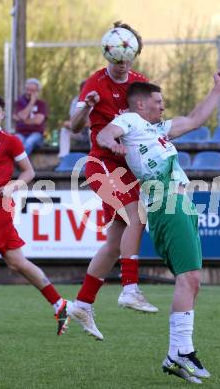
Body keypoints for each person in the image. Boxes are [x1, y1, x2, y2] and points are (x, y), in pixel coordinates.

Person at [95, 71, 220, 383]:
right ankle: (180, 353)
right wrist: (114, 146)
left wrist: (217, 90)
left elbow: (195, 119)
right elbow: (104, 135)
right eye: (158, 101)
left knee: (192, 280)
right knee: (190, 278)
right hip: (166, 201)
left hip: (180, 202)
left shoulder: (157, 129)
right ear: (140, 104)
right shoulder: (130, 120)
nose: (163, 106)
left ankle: (178, 353)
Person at [67, 21, 158, 341]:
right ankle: (130, 288)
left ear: (133, 54)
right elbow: (76, 126)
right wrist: (88, 107)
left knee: (116, 239)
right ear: (108, 53)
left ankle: (82, 303)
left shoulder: (140, 83)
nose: (122, 65)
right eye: (116, 59)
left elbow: (151, 122)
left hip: (128, 169)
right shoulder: (94, 83)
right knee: (137, 216)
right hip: (101, 164)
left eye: (126, 59)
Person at [0, 94, 69, 335]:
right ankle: (59, 303)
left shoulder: (10, 141)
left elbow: (28, 171)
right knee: (17, 263)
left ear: (3, 115)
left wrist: (14, 185)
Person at [13, 78, 48, 155]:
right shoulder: (19, 102)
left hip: (36, 134)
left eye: (32, 91)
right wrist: (31, 103)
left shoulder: (41, 104)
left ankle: (19, 165)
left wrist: (23, 120)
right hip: (21, 133)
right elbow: (23, 116)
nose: (29, 92)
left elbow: (38, 121)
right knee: (16, 142)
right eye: (27, 89)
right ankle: (20, 165)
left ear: (37, 92)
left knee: (29, 142)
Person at [58, 80, 90, 159]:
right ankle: (63, 157)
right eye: (83, 89)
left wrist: (76, 123)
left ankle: (96, 157)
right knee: (64, 130)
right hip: (79, 131)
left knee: (92, 130)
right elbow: (73, 119)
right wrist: (68, 124)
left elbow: (94, 123)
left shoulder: (96, 99)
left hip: (92, 132)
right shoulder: (76, 100)